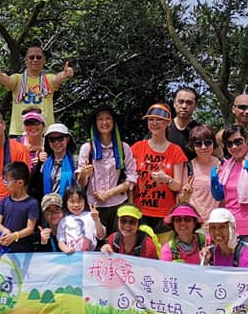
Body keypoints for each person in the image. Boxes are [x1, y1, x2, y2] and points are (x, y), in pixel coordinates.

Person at [75, 105, 136, 238]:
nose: (104, 122)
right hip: (94, 206)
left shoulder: (123, 148)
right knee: (96, 242)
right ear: (95, 124)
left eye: (108, 118)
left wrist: (108, 193)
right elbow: (80, 183)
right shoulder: (87, 148)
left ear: (114, 122)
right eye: (100, 119)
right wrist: (85, 174)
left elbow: (131, 179)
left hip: (118, 204)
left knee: (117, 242)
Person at [101, 203, 159, 314]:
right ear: (118, 221)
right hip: (122, 286)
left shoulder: (147, 244)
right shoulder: (113, 239)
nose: (127, 225)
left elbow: (150, 275)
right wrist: (103, 251)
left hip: (143, 290)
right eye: (123, 220)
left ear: (138, 223)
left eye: (132, 222)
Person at [0, 161, 39, 314]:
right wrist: (6, 232)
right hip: (5, 250)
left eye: (7, 181)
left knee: (23, 283)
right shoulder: (4, 201)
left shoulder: (32, 203)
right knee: (6, 281)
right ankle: (8, 313)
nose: (4, 184)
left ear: (20, 183)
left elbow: (30, 228)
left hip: (24, 251)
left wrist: (15, 236)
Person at [131, 103, 187, 240]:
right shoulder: (137, 148)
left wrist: (166, 179)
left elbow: (177, 185)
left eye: (159, 119)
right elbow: (130, 181)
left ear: (168, 123)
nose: (154, 123)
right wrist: (130, 206)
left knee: (163, 257)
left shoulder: (176, 151)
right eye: (151, 119)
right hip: (140, 213)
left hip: (164, 216)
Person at [0, 45, 74, 136]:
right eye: (31, 57)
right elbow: (8, 81)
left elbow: (57, 78)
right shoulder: (18, 79)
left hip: (44, 133)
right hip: (19, 133)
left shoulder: (48, 79)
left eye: (38, 57)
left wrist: (66, 74)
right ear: (25, 60)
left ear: (44, 60)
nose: (35, 60)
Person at [211, 125, 248, 251]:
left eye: (238, 141)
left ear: (246, 140)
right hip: (231, 229)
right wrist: (214, 181)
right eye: (229, 144)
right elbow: (219, 196)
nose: (234, 147)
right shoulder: (227, 165)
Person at [178, 124, 221, 230]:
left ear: (213, 143)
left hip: (218, 223)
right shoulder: (188, 167)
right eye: (198, 144)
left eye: (207, 142)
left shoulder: (222, 164)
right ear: (192, 146)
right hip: (196, 225)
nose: (203, 147)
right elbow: (180, 200)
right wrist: (185, 195)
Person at [30, 123, 75, 202]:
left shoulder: (75, 162)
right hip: (48, 206)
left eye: (60, 138)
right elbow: (32, 184)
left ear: (67, 139)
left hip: (70, 206)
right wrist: (39, 164)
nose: (56, 142)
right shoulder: (44, 162)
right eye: (52, 139)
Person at [56, 185, 105, 253]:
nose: (76, 205)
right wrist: (66, 249)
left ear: (85, 201)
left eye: (79, 201)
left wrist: (96, 220)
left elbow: (101, 235)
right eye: (72, 201)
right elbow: (61, 242)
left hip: (91, 256)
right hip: (72, 256)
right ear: (66, 202)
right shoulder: (64, 221)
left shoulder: (91, 216)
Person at [166, 86, 200, 160]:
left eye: (189, 103)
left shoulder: (201, 131)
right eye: (180, 102)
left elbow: (218, 157)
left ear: (195, 106)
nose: (184, 106)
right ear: (174, 104)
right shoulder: (163, 129)